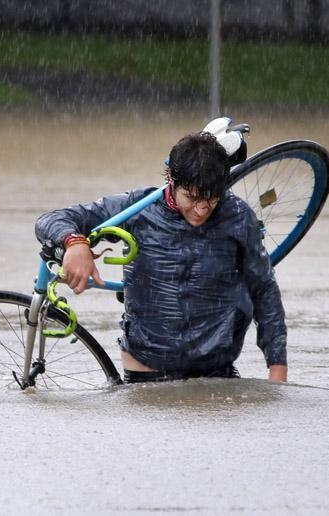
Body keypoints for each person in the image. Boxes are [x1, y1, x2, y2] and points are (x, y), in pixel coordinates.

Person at [35, 131, 288, 383]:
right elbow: (51, 220)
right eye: (191, 197)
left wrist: (278, 369)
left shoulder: (238, 217)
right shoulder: (137, 208)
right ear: (171, 180)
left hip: (216, 371)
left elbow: (264, 289)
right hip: (146, 370)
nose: (200, 210)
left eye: (211, 199)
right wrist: (75, 243)